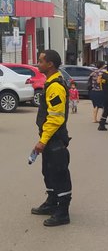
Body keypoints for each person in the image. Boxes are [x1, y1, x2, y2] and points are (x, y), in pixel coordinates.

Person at [31, 50, 72, 227]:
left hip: (54, 139)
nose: (37, 63)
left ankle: (62, 212)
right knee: (48, 172)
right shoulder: (50, 83)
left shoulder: (55, 86)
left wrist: (43, 141)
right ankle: (51, 203)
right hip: (49, 139)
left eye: (41, 61)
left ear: (50, 64)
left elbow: (56, 118)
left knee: (59, 174)